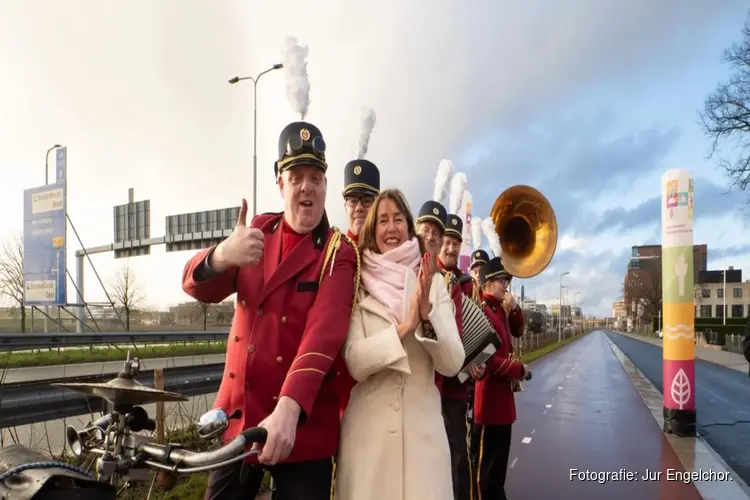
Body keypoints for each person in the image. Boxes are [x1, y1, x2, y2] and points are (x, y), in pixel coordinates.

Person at [182, 121, 358, 500]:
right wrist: (221, 255)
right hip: (240, 416)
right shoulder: (258, 231)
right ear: (281, 183)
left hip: (300, 425)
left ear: (325, 186)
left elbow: (323, 332)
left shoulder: (336, 252)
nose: (306, 186)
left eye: (315, 176)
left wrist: (289, 408)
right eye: (296, 176)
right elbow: (194, 286)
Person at [334, 189, 465, 500]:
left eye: (397, 219)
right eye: (382, 221)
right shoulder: (358, 284)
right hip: (368, 445)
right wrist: (404, 328)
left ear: (409, 227)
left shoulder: (434, 284)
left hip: (424, 445)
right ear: (373, 230)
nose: (390, 228)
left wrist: (427, 317)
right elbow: (354, 360)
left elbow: (452, 363)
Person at [469, 257, 528, 500]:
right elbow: (488, 362)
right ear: (487, 284)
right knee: (487, 474)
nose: (506, 285)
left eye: (507, 281)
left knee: (499, 472)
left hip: (502, 406)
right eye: (502, 280)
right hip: (490, 406)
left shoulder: (499, 310)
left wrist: (514, 308)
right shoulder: (484, 311)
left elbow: (518, 330)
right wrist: (518, 369)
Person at [334, 159, 381, 419]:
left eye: (366, 200)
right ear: (345, 206)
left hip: (378, 377)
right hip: (340, 381)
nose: (359, 208)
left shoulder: (388, 255)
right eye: (353, 200)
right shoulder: (333, 250)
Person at [436, 214, 474, 500]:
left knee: (459, 456)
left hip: (456, 388)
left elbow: (468, 331)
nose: (451, 248)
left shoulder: (462, 284)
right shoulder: (429, 275)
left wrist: (473, 362)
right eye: (447, 242)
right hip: (432, 386)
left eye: (455, 244)